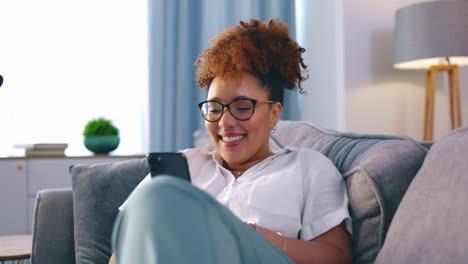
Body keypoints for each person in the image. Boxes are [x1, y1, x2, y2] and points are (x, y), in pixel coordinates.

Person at [109, 18, 352, 264]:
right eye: (214, 108)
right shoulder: (186, 165)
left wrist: (253, 236)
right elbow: (122, 255)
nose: (225, 122)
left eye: (242, 107)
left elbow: (337, 256)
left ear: (274, 113)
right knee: (154, 194)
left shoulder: (307, 166)